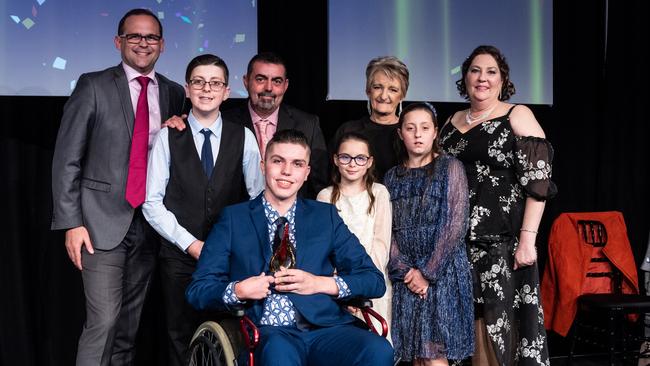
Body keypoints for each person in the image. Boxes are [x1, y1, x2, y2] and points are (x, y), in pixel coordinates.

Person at [186, 129, 394, 366]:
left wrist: (320, 283)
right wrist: (239, 290)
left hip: (324, 328)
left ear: (306, 173)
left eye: (297, 164)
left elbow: (373, 280)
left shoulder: (324, 216)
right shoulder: (234, 219)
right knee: (279, 354)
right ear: (263, 166)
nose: (286, 171)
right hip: (267, 331)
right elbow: (198, 290)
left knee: (379, 350)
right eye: (278, 161)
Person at [50, 9, 186, 365]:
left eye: (151, 37)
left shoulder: (173, 92)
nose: (143, 43)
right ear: (118, 42)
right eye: (134, 36)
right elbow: (67, 159)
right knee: (104, 321)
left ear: (162, 45)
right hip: (99, 224)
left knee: (128, 327)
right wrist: (71, 222)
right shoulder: (92, 85)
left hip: (150, 224)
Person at [142, 54, 264, 366]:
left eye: (214, 83)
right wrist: (192, 244)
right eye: (198, 81)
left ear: (227, 91)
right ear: (187, 89)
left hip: (229, 260)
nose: (206, 89)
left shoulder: (244, 137)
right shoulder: (169, 136)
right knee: (180, 336)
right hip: (180, 259)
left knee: (230, 337)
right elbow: (152, 202)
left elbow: (258, 197)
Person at [439, 45, 557, 366]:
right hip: (457, 246)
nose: (483, 78)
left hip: (502, 246)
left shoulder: (516, 115)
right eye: (475, 70)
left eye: (491, 71)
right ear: (465, 77)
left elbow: (538, 182)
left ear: (503, 79)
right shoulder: (450, 122)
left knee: (502, 330)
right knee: (467, 329)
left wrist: (527, 240)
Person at [385, 102, 474, 365]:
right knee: (415, 355)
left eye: (425, 128)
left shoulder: (450, 167)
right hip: (407, 276)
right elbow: (385, 229)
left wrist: (427, 273)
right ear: (400, 132)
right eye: (410, 128)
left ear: (435, 132)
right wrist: (405, 270)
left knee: (435, 354)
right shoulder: (391, 176)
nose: (417, 134)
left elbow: (455, 225)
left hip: (441, 273)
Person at [316, 132, 393, 343]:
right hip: (338, 289)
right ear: (335, 159)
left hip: (372, 284)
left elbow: (381, 244)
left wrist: (361, 285)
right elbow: (324, 250)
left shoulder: (379, 193)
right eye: (345, 157)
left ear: (369, 162)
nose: (352, 164)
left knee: (376, 346)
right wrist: (344, 288)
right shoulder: (325, 196)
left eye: (360, 158)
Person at [222, 52, 328, 199]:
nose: (269, 87)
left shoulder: (308, 124)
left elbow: (319, 186)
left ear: (285, 86)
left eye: (277, 81)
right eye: (260, 79)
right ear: (246, 81)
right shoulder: (224, 122)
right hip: (237, 215)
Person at [331, 56, 409, 182]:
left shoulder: (409, 134)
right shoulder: (348, 130)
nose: (384, 96)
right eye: (377, 87)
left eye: (393, 90)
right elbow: (331, 176)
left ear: (402, 95)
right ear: (368, 91)